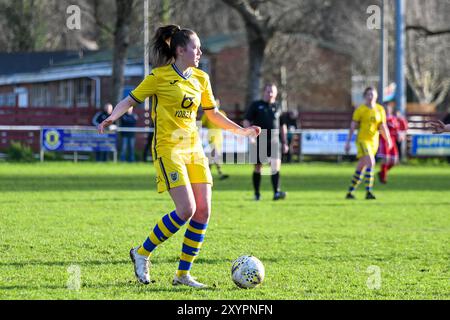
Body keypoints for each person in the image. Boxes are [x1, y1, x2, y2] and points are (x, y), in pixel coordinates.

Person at [97, 25, 260, 288]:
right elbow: (129, 101)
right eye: (196, 48)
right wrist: (112, 117)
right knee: (186, 209)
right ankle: (141, 253)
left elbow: (212, 114)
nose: (200, 52)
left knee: (203, 211)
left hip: (193, 149)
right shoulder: (159, 76)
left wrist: (241, 131)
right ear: (180, 49)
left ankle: (183, 275)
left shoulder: (202, 79)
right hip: (167, 148)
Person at [344, 87, 392, 200]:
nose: (370, 97)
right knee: (371, 162)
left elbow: (382, 126)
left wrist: (388, 139)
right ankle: (368, 192)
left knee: (361, 166)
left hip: (374, 141)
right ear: (365, 97)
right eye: (368, 95)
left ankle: (350, 192)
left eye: (372, 95)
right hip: (362, 140)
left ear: (376, 96)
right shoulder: (360, 110)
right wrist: (348, 142)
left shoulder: (380, 109)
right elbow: (353, 126)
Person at [243, 83, 289, 201]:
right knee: (258, 167)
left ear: (276, 93)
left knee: (275, 166)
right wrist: (250, 135)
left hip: (274, 140)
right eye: (268, 91)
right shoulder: (256, 105)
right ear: (264, 92)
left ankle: (276, 193)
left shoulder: (278, 106)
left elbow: (282, 125)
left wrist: (284, 142)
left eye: (272, 91)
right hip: (259, 139)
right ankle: (257, 194)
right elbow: (246, 121)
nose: (270, 94)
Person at [201, 98, 229, 180]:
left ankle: (207, 173)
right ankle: (221, 173)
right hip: (211, 136)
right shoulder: (207, 114)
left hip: (219, 136)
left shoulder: (222, 113)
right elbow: (202, 123)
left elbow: (225, 123)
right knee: (215, 154)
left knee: (213, 156)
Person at [377, 104, 400, 184]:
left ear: (391, 109)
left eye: (388, 108)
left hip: (393, 140)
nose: (387, 110)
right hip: (384, 140)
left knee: (394, 160)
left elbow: (397, 128)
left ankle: (382, 172)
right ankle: (383, 178)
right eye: (385, 109)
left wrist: (399, 135)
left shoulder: (394, 118)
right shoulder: (382, 118)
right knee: (386, 159)